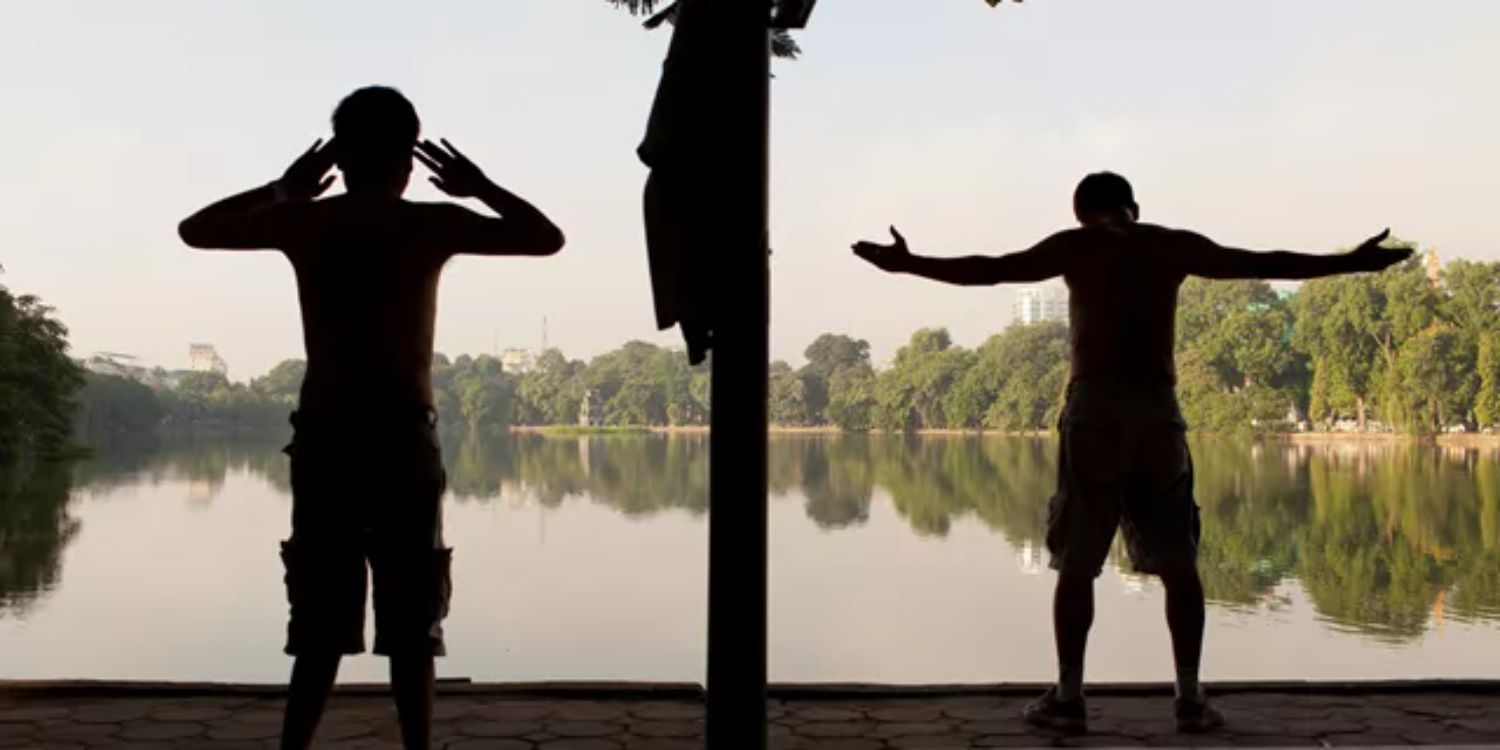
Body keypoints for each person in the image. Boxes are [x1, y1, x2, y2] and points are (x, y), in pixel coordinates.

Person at [852, 172, 1409, 734]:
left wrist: (910, 264)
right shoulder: (1171, 245)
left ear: (1079, 213)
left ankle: (1069, 696)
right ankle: (1189, 698)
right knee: (1179, 564)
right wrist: (1351, 263)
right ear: (1133, 209)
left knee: (1078, 564)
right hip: (1156, 411)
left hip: (1094, 411)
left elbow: (989, 269)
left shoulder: (1076, 247)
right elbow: (1265, 262)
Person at [179, 86, 564, 750]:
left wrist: (280, 191)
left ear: (338, 156)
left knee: (318, 627)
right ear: (409, 160)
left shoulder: (304, 222)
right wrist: (480, 187)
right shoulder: (429, 224)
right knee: (413, 627)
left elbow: (196, 229)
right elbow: (545, 238)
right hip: (402, 440)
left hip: (325, 439)